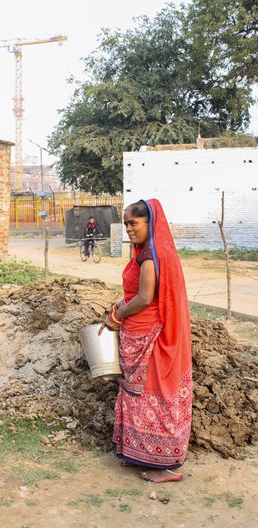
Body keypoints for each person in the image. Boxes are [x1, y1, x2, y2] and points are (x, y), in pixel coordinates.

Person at [99, 199, 192, 483]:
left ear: (149, 223)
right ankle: (137, 452)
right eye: (126, 223)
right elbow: (133, 292)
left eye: (133, 223)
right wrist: (119, 308)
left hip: (151, 339)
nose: (128, 229)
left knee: (155, 395)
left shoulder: (152, 255)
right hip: (137, 335)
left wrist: (116, 316)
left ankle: (166, 464)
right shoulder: (145, 252)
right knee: (136, 394)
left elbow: (144, 298)